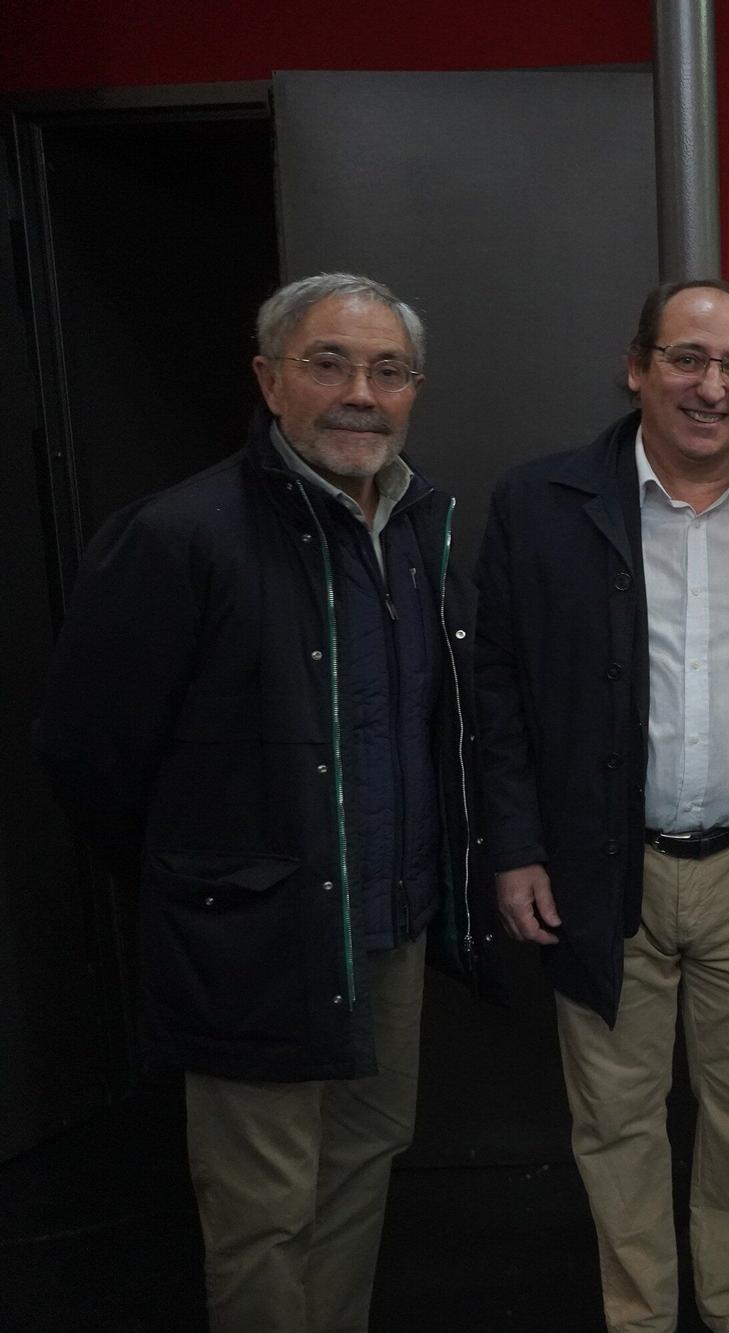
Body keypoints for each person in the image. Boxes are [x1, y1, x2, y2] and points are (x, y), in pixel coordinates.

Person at [34, 273, 493, 1332]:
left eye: (387, 371)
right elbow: (86, 750)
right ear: (268, 378)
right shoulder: (179, 535)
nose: (359, 394)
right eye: (328, 363)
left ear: (414, 389)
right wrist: (208, 884)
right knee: (261, 1212)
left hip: (389, 929)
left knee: (361, 1170)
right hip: (252, 941)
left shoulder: (424, 527)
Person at [474, 277, 729, 1333]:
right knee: (615, 1119)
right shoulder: (540, 506)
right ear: (636, 367)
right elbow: (493, 688)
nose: (710, 385)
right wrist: (514, 846)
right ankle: (638, 1316)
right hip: (600, 867)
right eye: (686, 358)